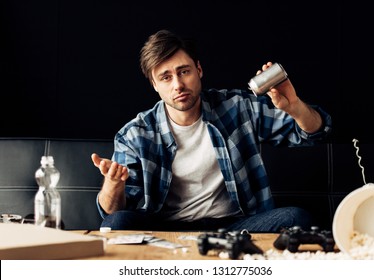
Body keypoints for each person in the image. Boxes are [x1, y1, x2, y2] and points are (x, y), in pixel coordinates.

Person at [91, 29, 332, 232]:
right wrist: (113, 183)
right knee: (116, 223)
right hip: (165, 228)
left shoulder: (237, 108)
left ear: (199, 70)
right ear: (154, 85)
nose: (178, 85)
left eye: (184, 71)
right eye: (165, 77)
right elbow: (111, 213)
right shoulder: (135, 134)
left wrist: (295, 107)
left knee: (296, 218)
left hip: (235, 226)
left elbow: (313, 132)